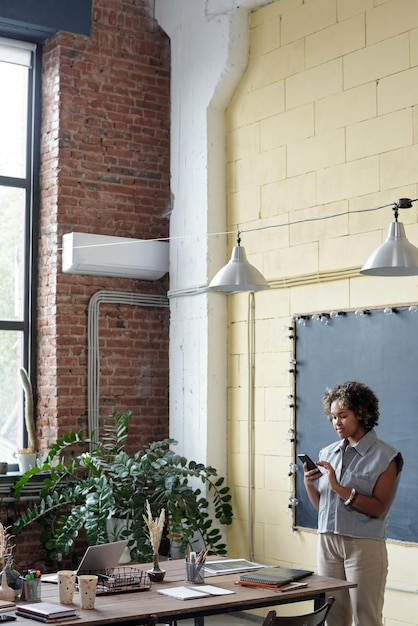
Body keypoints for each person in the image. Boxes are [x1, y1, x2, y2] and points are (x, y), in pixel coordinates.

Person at [302, 381, 403, 626]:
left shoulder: (387, 456)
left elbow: (379, 507)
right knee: (332, 617)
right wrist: (309, 485)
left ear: (361, 414)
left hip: (363, 546)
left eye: (343, 416)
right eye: (333, 417)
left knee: (366, 618)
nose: (336, 422)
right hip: (328, 543)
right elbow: (322, 508)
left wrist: (338, 487)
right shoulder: (327, 452)